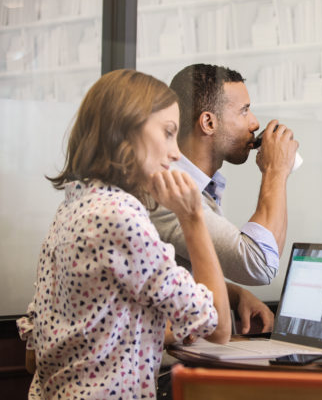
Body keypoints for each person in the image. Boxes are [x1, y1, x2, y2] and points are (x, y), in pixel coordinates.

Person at [16, 69, 231, 398]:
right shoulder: (120, 216)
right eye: (168, 133)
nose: (176, 153)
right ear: (126, 132)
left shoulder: (73, 207)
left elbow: (73, 334)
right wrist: (193, 217)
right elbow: (217, 327)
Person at [150, 63, 299, 334]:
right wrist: (275, 172)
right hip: (163, 370)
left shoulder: (198, 186)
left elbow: (173, 276)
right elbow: (259, 265)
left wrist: (234, 294)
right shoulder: (169, 190)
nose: (254, 123)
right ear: (208, 122)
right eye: (244, 111)